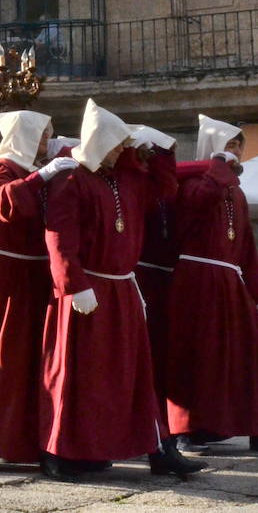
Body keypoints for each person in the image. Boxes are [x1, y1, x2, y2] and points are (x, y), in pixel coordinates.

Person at [39, 100, 199, 480]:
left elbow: (164, 187)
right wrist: (74, 284)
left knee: (130, 376)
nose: (117, 150)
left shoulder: (126, 179)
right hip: (86, 294)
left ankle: (152, 448)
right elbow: (58, 236)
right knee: (81, 377)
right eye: (112, 144)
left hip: (122, 292)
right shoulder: (71, 180)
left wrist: (160, 148)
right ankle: (65, 452)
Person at [165, 115, 258, 453]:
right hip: (197, 281)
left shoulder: (236, 193)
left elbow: (245, 247)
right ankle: (191, 428)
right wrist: (217, 168)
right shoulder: (191, 183)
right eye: (230, 145)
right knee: (200, 354)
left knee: (254, 354)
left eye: (239, 146)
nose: (237, 152)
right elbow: (197, 205)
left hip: (230, 282)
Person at [0, 110, 75, 470]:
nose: (45, 143)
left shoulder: (42, 167)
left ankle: (29, 442)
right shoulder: (1, 168)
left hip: (37, 274)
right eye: (40, 135)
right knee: (2, 360)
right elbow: (7, 204)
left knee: (35, 365)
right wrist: (43, 176)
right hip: (8, 276)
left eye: (48, 136)